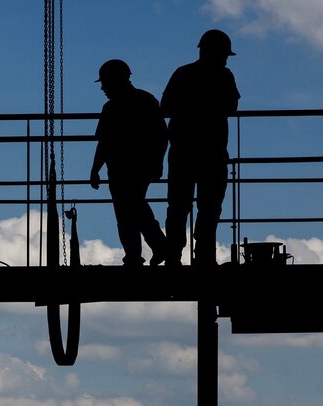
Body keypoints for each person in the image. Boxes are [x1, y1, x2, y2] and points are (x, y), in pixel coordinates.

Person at [161, 29, 241, 266]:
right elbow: (231, 107)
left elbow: (165, 107)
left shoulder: (183, 73)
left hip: (183, 150)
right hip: (212, 151)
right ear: (217, 52)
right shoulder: (224, 76)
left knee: (178, 206)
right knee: (210, 207)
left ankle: (173, 256)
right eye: (224, 54)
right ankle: (204, 256)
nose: (226, 59)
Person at [89, 59, 169, 267]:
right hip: (131, 167)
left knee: (129, 210)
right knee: (133, 208)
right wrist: (157, 163)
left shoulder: (114, 107)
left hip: (124, 168)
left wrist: (95, 169)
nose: (103, 88)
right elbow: (161, 136)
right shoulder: (145, 101)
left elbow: (104, 143)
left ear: (116, 80)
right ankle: (151, 250)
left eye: (105, 83)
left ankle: (142, 253)